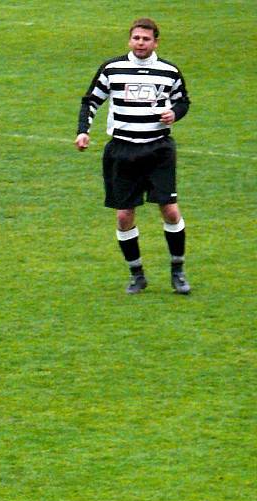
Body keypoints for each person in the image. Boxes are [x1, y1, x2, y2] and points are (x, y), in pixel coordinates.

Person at [75, 17, 191, 295]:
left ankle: (178, 270)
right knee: (124, 216)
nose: (141, 43)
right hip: (122, 150)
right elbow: (92, 99)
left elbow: (183, 100)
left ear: (155, 42)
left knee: (170, 210)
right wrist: (83, 131)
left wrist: (175, 112)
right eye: (136, 38)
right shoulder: (112, 68)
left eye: (146, 39)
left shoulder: (169, 71)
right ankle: (136, 274)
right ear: (130, 40)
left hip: (158, 149)